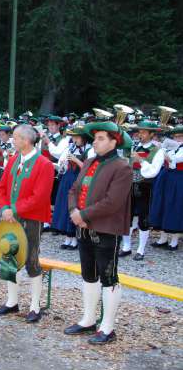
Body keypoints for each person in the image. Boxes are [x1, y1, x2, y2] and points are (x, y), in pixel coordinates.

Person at [65, 121, 133, 345]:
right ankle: (88, 319)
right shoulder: (90, 161)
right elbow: (74, 188)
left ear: (115, 141)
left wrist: (83, 216)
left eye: (101, 138)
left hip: (106, 229)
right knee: (88, 275)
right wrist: (75, 211)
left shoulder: (122, 167)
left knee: (108, 277)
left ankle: (107, 327)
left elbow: (113, 202)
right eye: (94, 138)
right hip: (83, 226)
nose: (95, 141)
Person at [0, 124, 55, 322]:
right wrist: (4, 209)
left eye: (16, 137)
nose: (13, 139)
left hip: (31, 218)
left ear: (26, 141)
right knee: (9, 256)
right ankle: (12, 302)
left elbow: (40, 197)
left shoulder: (44, 164)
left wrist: (15, 209)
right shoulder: (13, 159)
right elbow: (1, 187)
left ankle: (35, 306)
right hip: (9, 217)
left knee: (31, 260)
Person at [119, 120, 164, 260]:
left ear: (152, 134)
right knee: (126, 217)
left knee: (143, 219)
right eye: (139, 132)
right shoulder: (134, 146)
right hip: (129, 185)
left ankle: (140, 250)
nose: (140, 134)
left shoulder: (158, 151)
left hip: (146, 187)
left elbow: (152, 172)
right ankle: (126, 247)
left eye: (144, 132)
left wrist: (141, 160)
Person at [51, 125, 92, 250]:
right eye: (73, 137)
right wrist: (62, 164)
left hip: (78, 180)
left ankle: (74, 238)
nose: (74, 139)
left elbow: (88, 168)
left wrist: (75, 159)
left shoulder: (89, 150)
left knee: (74, 207)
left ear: (84, 138)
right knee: (64, 206)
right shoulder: (70, 147)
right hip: (67, 178)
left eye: (77, 137)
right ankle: (67, 237)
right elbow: (62, 164)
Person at [149, 125, 183, 251]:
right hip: (166, 177)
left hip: (179, 179)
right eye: (175, 136)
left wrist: (162, 150)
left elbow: (175, 161)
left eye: (180, 136)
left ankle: (174, 241)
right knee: (162, 205)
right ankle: (162, 238)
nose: (177, 138)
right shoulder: (172, 147)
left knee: (174, 206)